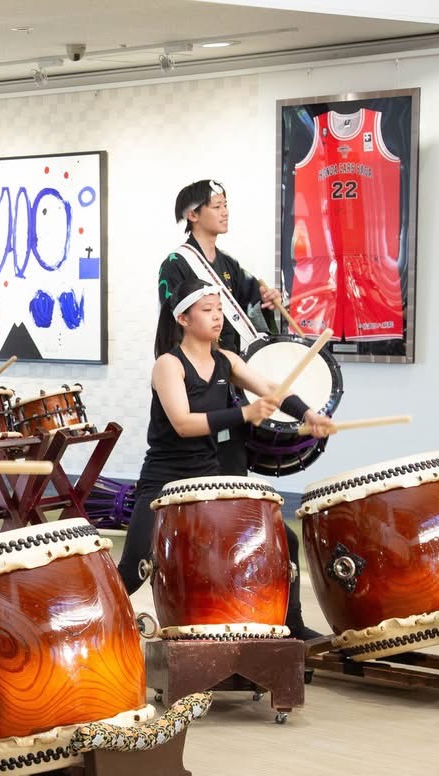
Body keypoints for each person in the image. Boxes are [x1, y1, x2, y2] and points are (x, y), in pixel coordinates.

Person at [116, 279, 334, 640]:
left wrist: (309, 414)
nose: (217, 317)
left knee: (284, 541)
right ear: (183, 319)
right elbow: (184, 423)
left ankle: (292, 625)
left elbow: (272, 390)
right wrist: (245, 413)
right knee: (136, 565)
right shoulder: (169, 365)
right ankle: (93, 625)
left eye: (219, 310)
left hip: (208, 479)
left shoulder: (227, 360)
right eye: (207, 310)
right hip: (165, 481)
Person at [157, 180, 282, 476]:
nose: (225, 212)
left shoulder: (230, 265)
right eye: (217, 206)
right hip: (196, 376)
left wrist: (268, 301)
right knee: (198, 461)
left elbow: (253, 312)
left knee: (232, 463)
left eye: (226, 205)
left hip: (228, 373)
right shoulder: (175, 264)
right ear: (193, 215)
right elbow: (175, 319)